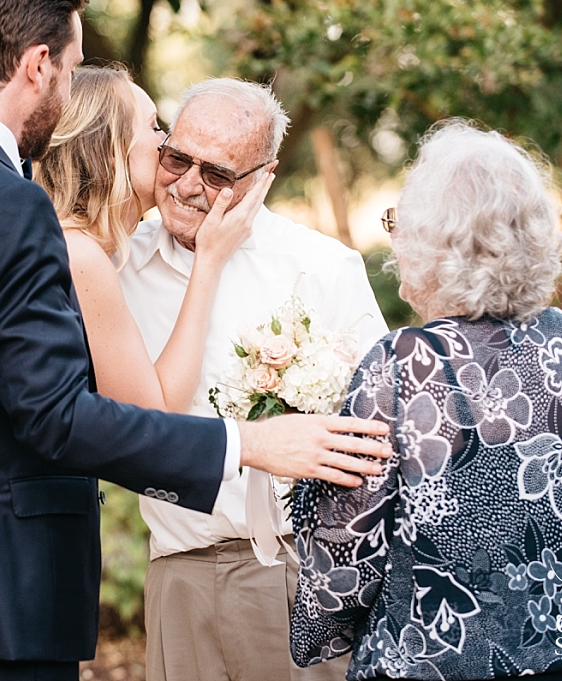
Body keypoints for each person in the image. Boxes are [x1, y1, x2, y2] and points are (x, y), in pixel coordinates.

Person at [0, 0, 393, 681]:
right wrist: (247, 443)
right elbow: (57, 417)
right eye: (70, 66)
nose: (69, 88)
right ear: (37, 65)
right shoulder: (11, 203)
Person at [289, 120, 562, 681]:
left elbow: (349, 554)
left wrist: (312, 634)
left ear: (434, 244)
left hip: (434, 661)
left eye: (401, 227)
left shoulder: (402, 363)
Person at [116, 77, 389, 681]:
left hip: (304, 572)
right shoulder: (116, 264)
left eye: (216, 174)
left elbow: (380, 436)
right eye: (177, 158)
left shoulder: (323, 268)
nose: (187, 185)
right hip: (179, 573)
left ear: (261, 179)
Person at [35, 65, 273, 414]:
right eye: (153, 127)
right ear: (110, 151)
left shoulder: (79, 245)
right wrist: (209, 259)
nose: (166, 143)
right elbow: (156, 416)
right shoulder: (80, 255)